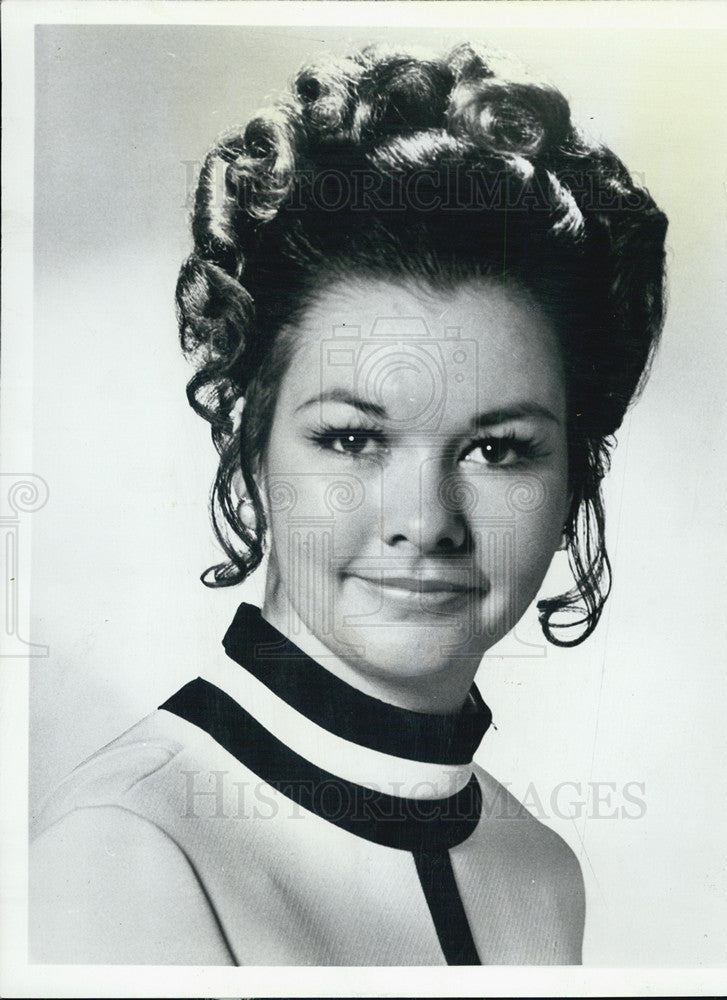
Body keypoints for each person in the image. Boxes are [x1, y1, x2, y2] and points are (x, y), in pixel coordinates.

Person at [29, 42, 668, 965]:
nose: (427, 522)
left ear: (574, 475)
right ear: (248, 444)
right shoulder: (130, 849)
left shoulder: (540, 871)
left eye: (498, 449)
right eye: (355, 439)